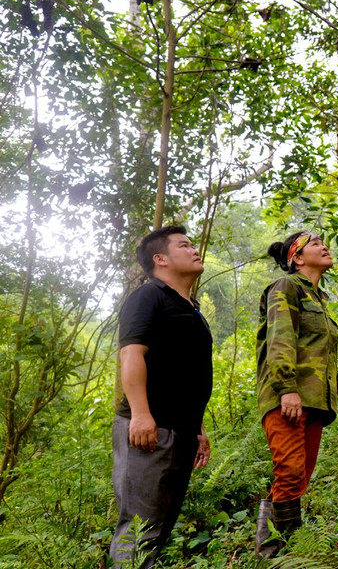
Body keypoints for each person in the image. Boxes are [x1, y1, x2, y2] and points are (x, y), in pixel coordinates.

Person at [110, 225, 213, 568]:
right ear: (160, 259)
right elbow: (131, 354)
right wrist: (140, 414)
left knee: (161, 529)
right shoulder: (148, 296)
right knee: (139, 529)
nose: (194, 249)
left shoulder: (190, 307)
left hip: (180, 434)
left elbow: (191, 373)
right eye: (184, 245)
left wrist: (197, 429)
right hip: (149, 430)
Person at [254, 231, 338, 557]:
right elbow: (281, 339)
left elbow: (317, 349)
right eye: (315, 243)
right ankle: (275, 555)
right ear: (297, 257)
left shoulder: (319, 298)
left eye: (324, 242)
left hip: (313, 401)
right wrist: (286, 389)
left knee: (299, 479)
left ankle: (281, 550)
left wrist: (337, 380)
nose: (324, 246)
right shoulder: (287, 288)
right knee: (290, 471)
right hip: (288, 397)